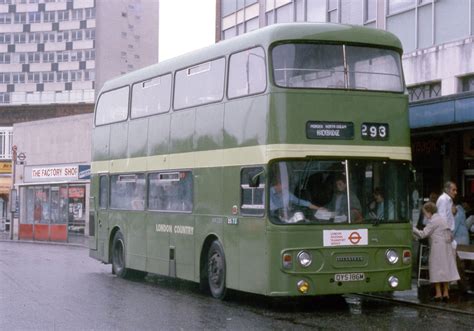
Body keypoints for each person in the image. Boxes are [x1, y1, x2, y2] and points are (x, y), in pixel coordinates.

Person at [413, 202, 460, 302]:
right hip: (447, 248)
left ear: (429, 212)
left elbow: (423, 234)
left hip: (437, 248)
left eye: (425, 213)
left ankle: (438, 294)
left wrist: (412, 229)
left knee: (436, 270)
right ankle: (446, 293)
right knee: (445, 270)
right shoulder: (442, 219)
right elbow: (450, 235)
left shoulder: (433, 221)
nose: (425, 215)